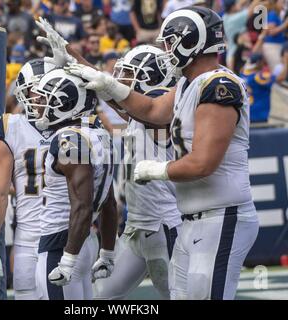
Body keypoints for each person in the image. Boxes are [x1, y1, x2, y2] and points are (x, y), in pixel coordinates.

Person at [65, 6, 259, 300]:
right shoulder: (187, 83)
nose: (166, 51)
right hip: (192, 219)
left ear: (189, 42)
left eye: (169, 42)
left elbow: (203, 163)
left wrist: (157, 170)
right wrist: (108, 85)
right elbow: (153, 110)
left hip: (222, 216)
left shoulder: (219, 86)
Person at [93, 45, 182, 300]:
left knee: (174, 295)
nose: (121, 78)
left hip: (164, 225)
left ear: (150, 78)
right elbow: (106, 90)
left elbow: (133, 104)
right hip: (137, 226)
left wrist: (105, 84)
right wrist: (72, 59)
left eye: (128, 73)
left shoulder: (159, 113)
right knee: (103, 295)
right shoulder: (137, 111)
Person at [32, 69, 118, 300]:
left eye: (44, 99)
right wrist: (107, 251)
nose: (38, 104)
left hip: (61, 244)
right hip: (85, 241)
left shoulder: (69, 139)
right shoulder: (98, 133)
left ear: (64, 104)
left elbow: (83, 205)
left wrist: (67, 260)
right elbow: (108, 202)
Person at [0, 58, 58, 300]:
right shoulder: (11, 126)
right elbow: (0, 191)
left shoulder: (78, 124)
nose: (38, 98)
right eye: (33, 91)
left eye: (45, 91)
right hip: (28, 235)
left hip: (67, 233)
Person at [241, 50, 288, 122]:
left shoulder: (243, 73)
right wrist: (286, 62)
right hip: (258, 114)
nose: (264, 64)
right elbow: (280, 78)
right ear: (259, 62)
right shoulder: (259, 77)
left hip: (247, 113)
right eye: (263, 62)